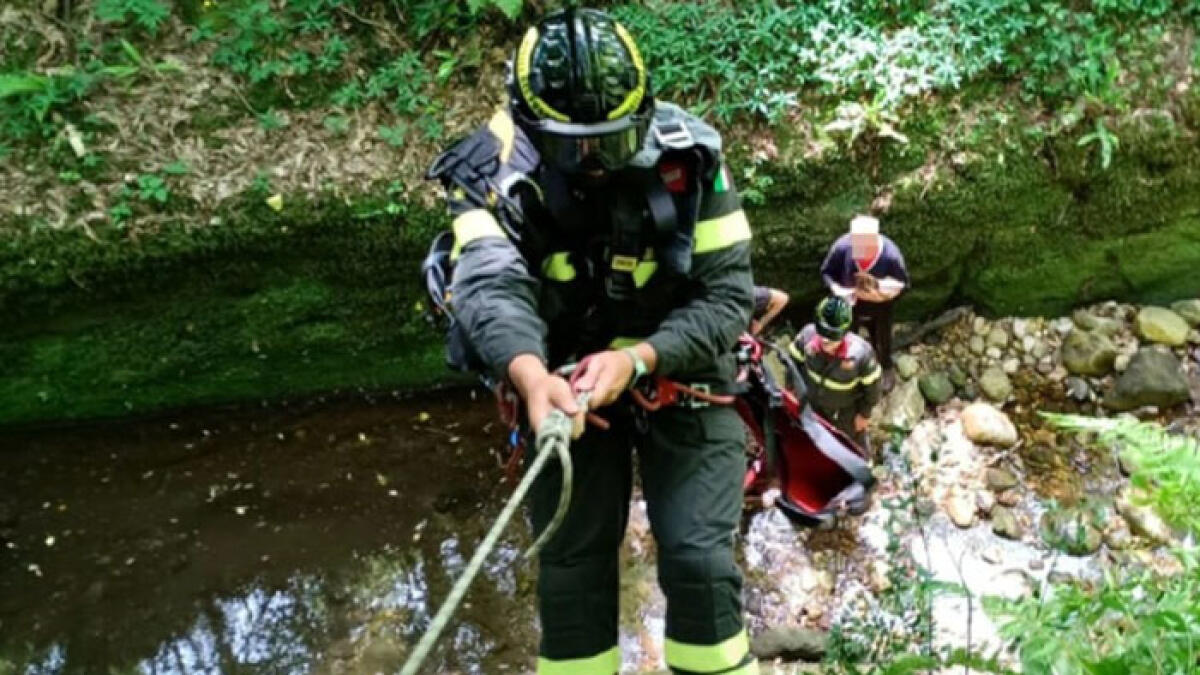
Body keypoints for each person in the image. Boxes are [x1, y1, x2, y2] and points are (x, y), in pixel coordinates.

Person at [427, 8, 757, 674]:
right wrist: (530, 376)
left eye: (609, 144)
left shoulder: (690, 158)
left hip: (679, 368)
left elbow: (726, 299)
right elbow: (489, 291)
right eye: (574, 149)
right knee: (573, 566)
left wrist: (639, 357)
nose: (594, 165)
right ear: (528, 126)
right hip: (563, 389)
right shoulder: (487, 169)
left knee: (699, 559)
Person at [787, 296, 882, 451]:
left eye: (831, 338)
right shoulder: (807, 337)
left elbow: (873, 387)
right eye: (822, 333)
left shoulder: (861, 355)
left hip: (845, 413)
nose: (824, 340)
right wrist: (790, 388)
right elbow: (792, 362)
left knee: (852, 447)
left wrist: (864, 414)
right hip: (812, 405)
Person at [819, 215, 908, 379]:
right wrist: (836, 288)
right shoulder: (842, 247)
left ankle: (886, 366)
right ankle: (853, 368)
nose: (860, 254)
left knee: (883, 337)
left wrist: (884, 293)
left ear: (876, 240)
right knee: (848, 337)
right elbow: (826, 272)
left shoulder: (891, 256)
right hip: (849, 303)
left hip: (880, 306)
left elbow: (903, 283)